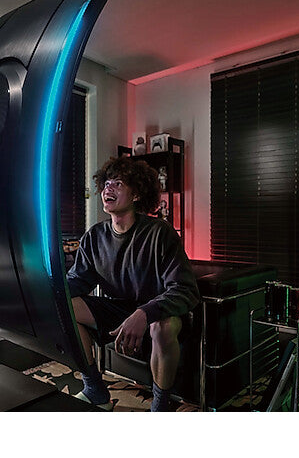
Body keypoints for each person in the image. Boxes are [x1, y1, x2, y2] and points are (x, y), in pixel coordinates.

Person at [66, 155, 200, 411]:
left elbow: (185, 289)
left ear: (136, 194)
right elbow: (77, 281)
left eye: (118, 183)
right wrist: (47, 290)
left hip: (157, 314)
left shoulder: (160, 232)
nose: (108, 188)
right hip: (117, 311)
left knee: (163, 326)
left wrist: (144, 313)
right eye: (106, 183)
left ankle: (160, 406)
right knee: (65, 306)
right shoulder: (94, 236)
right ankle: (95, 389)